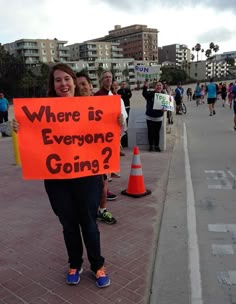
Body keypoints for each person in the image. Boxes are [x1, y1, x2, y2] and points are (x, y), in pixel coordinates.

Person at [13, 63, 111, 288]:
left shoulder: (92, 107)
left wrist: (118, 123)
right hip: (57, 180)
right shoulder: (42, 111)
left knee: (89, 224)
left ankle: (97, 265)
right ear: (53, 85)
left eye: (67, 79)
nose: (63, 84)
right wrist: (18, 127)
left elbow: (105, 133)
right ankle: (74, 264)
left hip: (87, 176)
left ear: (74, 81)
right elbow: (31, 139)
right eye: (58, 80)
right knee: (68, 224)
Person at [94, 70, 119, 224]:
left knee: (106, 176)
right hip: (98, 142)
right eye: (105, 77)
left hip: (110, 140)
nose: (108, 79)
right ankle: (99, 208)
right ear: (101, 80)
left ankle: (102, 208)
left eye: (110, 77)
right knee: (101, 177)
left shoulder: (114, 96)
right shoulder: (97, 96)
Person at [142, 80, 165, 152]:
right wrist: (145, 86)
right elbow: (144, 94)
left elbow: (167, 106)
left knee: (157, 133)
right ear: (155, 87)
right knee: (150, 132)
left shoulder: (164, 95)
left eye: (160, 85)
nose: (158, 86)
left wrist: (165, 109)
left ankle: (157, 146)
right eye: (157, 85)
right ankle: (151, 146)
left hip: (159, 117)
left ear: (162, 87)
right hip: (150, 117)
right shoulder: (151, 94)